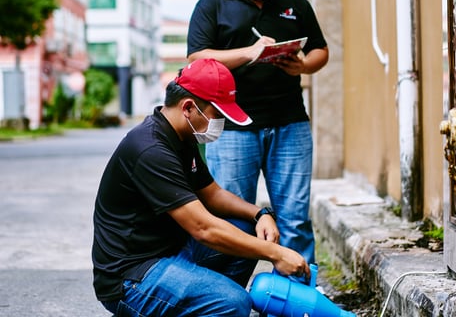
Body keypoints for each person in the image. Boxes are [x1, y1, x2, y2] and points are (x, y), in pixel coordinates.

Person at [92, 58, 309, 317]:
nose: (220, 123)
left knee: (250, 231)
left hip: (172, 252)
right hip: (132, 278)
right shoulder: (150, 149)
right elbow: (203, 228)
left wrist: (260, 214)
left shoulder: (182, 135)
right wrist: (276, 253)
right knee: (234, 303)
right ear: (188, 108)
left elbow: (213, 193)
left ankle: (200, 302)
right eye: (217, 115)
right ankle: (202, 305)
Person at [187, 0, 329, 265]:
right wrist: (250, 52)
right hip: (234, 126)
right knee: (234, 220)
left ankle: (298, 299)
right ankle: (226, 295)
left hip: (290, 123)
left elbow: (320, 50)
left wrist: (303, 66)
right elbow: (197, 59)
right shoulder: (213, 4)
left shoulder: (294, 4)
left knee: (295, 220)